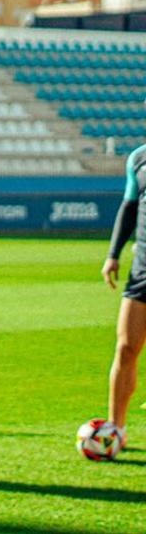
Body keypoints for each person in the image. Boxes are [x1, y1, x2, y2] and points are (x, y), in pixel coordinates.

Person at [102, 145, 146, 443]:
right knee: (126, 347)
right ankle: (115, 428)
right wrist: (113, 254)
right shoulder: (138, 158)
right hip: (143, 269)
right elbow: (129, 206)